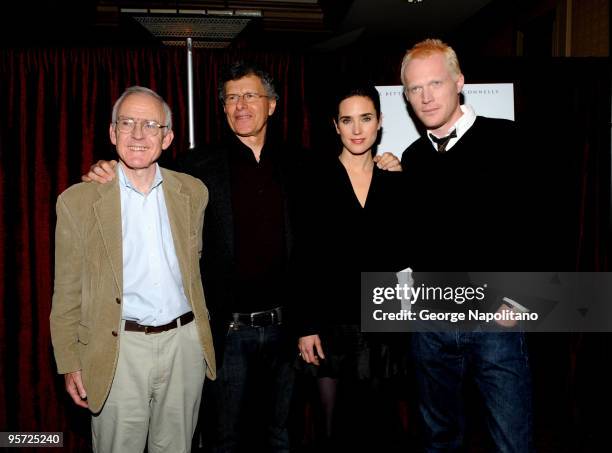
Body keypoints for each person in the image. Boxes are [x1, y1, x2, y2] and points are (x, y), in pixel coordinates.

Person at [83, 62, 401, 453]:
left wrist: (390, 163)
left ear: (272, 105)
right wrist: (106, 170)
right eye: (231, 97)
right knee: (224, 439)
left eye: (250, 95)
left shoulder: (303, 165)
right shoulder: (195, 168)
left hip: (287, 331)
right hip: (227, 334)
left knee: (281, 435)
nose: (241, 105)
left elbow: (319, 246)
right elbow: (142, 173)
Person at [50, 86, 215, 453]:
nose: (138, 135)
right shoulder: (78, 202)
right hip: (117, 348)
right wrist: (70, 362)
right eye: (127, 123)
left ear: (167, 137)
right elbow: (66, 291)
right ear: (112, 133)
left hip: (183, 346)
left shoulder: (194, 193)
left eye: (150, 125)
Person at [400, 39, 533, 452]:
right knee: (439, 440)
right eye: (414, 88)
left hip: (496, 324)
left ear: (459, 82)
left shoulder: (507, 140)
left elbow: (539, 224)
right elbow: (410, 239)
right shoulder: (414, 157)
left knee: (511, 441)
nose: (425, 97)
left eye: (435, 83)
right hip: (431, 326)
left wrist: (516, 300)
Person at [297, 83, 409, 451]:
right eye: (348, 120)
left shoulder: (395, 180)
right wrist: (307, 326)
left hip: (383, 325)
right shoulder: (313, 179)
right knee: (332, 432)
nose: (357, 129)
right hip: (331, 326)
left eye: (366, 118)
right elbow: (304, 257)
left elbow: (404, 255)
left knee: (379, 427)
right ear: (335, 126)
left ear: (379, 123)